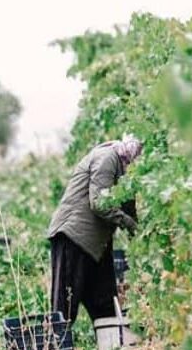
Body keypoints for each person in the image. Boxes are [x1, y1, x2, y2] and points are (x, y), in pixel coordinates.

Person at [47, 135, 143, 327]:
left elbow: (129, 209)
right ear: (131, 152)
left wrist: (142, 232)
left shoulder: (125, 171)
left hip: (96, 244)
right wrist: (129, 224)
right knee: (65, 306)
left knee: (105, 304)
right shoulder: (108, 158)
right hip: (74, 237)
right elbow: (99, 203)